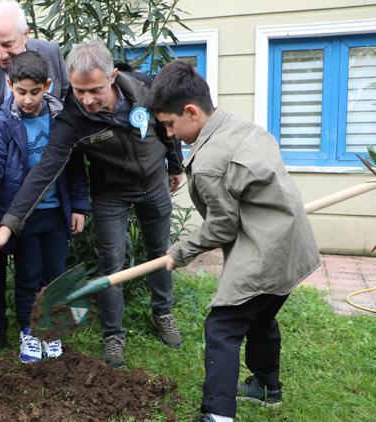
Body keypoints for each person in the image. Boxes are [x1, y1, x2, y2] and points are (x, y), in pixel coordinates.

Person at [0, 39, 184, 369]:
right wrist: (7, 226)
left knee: (160, 252)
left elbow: (166, 127)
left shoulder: (144, 89)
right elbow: (45, 171)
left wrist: (174, 165)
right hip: (111, 192)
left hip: (153, 184)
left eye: (95, 91)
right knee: (111, 262)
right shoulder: (71, 119)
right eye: (78, 91)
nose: (86, 100)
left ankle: (163, 312)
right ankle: (113, 334)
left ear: (113, 76)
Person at [147, 61, 320, 422]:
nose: (170, 133)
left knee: (223, 326)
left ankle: (218, 414)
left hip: (267, 249)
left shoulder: (210, 162)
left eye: (169, 124)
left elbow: (222, 226)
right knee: (260, 315)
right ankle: (267, 386)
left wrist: (179, 252)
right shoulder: (242, 126)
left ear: (191, 112)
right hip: (292, 242)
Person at [0, 51, 89, 358]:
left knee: (54, 276)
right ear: (9, 85)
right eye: (21, 91)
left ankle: (50, 332)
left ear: (48, 86)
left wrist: (79, 204)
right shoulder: (2, 122)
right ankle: (28, 332)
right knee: (28, 277)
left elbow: (75, 164)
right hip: (21, 216)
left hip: (55, 213)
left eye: (35, 92)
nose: (27, 99)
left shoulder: (60, 118)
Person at [0, 0, 68, 167]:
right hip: (5, 164)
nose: (2, 54)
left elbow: (68, 97)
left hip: (51, 160)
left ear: (25, 34)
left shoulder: (50, 53)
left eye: (8, 44)